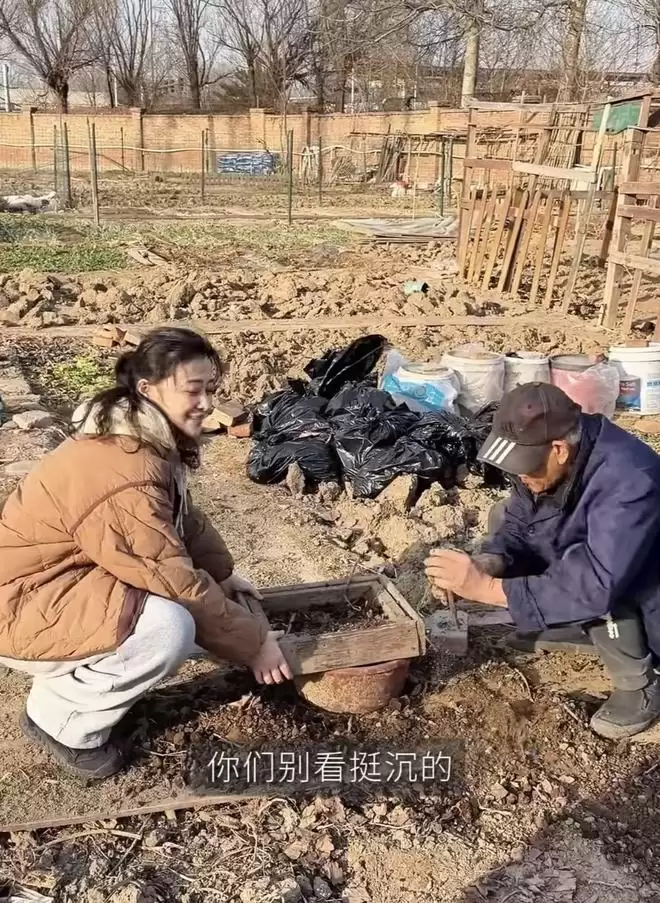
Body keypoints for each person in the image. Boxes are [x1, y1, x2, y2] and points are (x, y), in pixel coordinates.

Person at [0, 327, 292, 780]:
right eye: (192, 390)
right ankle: (62, 722)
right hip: (20, 609)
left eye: (210, 389)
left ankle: (74, 687)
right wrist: (254, 644)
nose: (206, 403)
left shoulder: (140, 439)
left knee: (187, 611)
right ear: (147, 390)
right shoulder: (123, 469)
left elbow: (180, 521)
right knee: (168, 626)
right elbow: (169, 576)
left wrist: (222, 574)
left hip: (52, 588)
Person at [425, 381, 660, 741]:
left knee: (592, 580)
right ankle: (574, 623)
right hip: (603, 566)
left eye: (527, 466)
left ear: (559, 450)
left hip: (645, 591)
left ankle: (639, 683)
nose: (521, 475)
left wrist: (484, 588)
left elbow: (597, 582)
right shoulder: (548, 460)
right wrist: (491, 563)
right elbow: (520, 522)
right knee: (502, 515)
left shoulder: (630, 480)